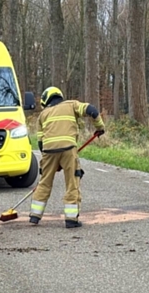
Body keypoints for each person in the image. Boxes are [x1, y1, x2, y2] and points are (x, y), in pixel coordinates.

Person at [30, 86, 105, 228]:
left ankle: (35, 216)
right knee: (72, 182)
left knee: (44, 182)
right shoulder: (72, 105)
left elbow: (40, 143)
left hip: (49, 151)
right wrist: (100, 127)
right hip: (68, 150)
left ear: (46, 101)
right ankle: (71, 219)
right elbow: (92, 111)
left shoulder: (43, 115)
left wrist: (50, 162)